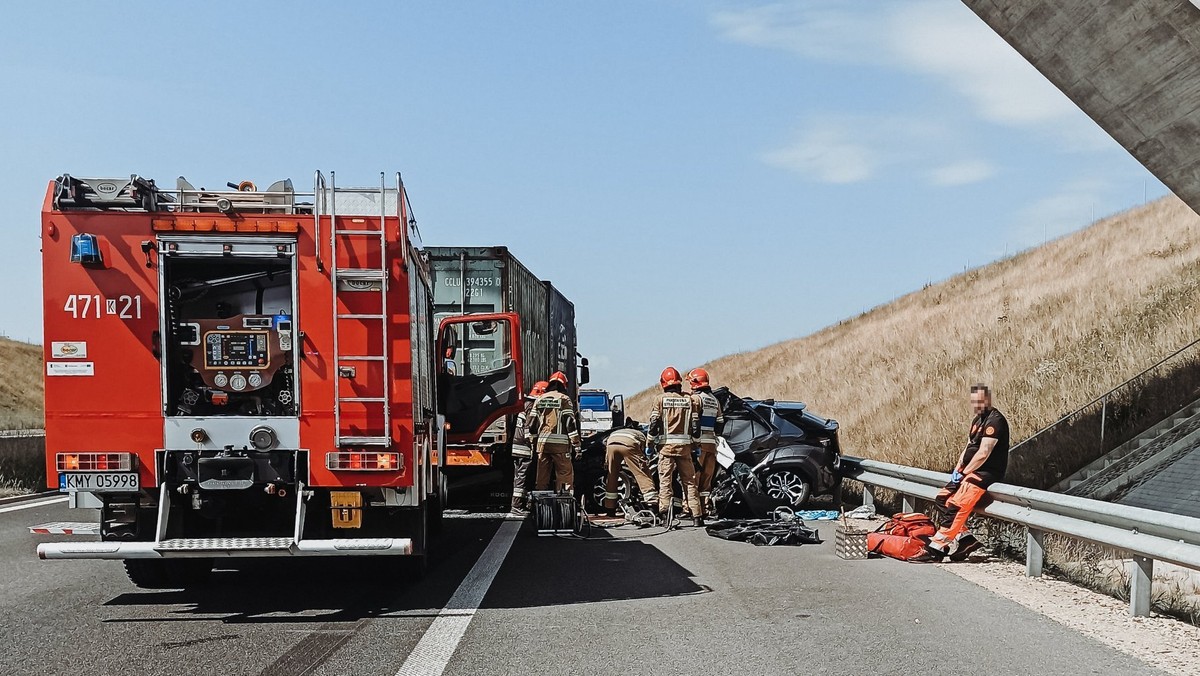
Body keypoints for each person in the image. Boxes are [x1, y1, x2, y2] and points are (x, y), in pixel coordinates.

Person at [910, 383, 1010, 563]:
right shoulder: (977, 420)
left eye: (981, 400)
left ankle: (937, 548)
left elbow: (984, 452)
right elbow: (969, 446)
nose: (978, 404)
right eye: (975, 401)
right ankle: (966, 539)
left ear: (988, 399)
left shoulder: (995, 420)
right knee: (943, 498)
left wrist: (967, 472)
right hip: (968, 471)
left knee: (957, 504)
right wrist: (958, 468)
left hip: (985, 472)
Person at [648, 366, 703, 527]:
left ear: (663, 383)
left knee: (666, 481)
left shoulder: (660, 400)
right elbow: (695, 425)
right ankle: (697, 517)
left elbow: (653, 424)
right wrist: (697, 444)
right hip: (685, 448)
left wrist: (649, 443)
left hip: (666, 448)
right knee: (690, 482)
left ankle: (665, 516)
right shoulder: (689, 400)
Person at [530, 371, 581, 493]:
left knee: (542, 477)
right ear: (564, 386)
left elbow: (531, 424)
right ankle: (564, 504)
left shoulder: (539, 399)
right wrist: (577, 445)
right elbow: (569, 423)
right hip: (560, 446)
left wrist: (533, 442)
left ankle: (541, 504)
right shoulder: (564, 399)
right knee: (564, 475)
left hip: (542, 445)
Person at [687, 368, 724, 517]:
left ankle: (690, 508)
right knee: (706, 480)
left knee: (693, 478)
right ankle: (705, 508)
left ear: (695, 382)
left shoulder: (696, 399)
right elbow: (720, 423)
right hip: (711, 444)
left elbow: (694, 423)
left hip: (699, 444)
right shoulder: (715, 400)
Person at [602, 418, 658, 517]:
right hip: (629, 444)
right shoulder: (639, 434)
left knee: (612, 476)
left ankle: (610, 509)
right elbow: (642, 456)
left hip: (611, 444)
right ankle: (652, 505)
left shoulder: (617, 431)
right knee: (641, 473)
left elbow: (605, 443)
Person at [510, 380, 548, 515]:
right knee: (521, 476)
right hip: (524, 447)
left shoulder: (525, 403)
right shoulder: (532, 405)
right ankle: (516, 506)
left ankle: (520, 504)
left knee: (521, 476)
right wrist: (533, 443)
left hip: (518, 445)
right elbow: (529, 428)